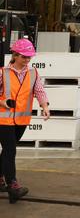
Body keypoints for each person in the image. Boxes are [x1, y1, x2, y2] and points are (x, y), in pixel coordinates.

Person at [0, 38, 50, 204]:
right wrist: (3, 102)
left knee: (8, 150)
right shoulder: (3, 72)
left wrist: (45, 106)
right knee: (10, 150)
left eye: (29, 57)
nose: (27, 60)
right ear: (15, 55)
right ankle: (12, 186)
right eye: (24, 57)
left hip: (22, 120)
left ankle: (0, 178)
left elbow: (39, 90)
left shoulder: (33, 73)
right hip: (3, 120)